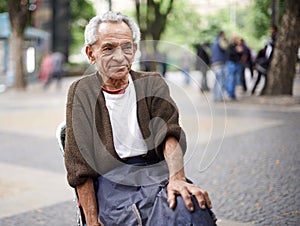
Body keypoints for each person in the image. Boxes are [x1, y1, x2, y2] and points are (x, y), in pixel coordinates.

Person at [64, 11, 217, 226]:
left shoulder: (152, 83)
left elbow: (169, 134)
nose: (120, 56)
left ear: (134, 50)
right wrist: (91, 221)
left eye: (127, 47)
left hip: (155, 172)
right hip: (112, 182)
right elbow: (80, 166)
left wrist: (177, 178)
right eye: (108, 48)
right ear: (91, 54)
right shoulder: (82, 91)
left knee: (190, 207)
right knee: (136, 217)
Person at [252, 25, 277, 95]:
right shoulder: (269, 42)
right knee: (260, 76)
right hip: (264, 61)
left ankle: (260, 90)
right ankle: (254, 90)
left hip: (267, 61)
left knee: (264, 76)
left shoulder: (275, 38)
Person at [210, 31, 228, 101]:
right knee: (221, 81)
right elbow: (225, 47)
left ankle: (215, 96)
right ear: (222, 35)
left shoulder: (213, 43)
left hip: (215, 63)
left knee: (216, 81)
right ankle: (219, 97)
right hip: (220, 64)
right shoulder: (220, 41)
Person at [225, 35, 243, 100]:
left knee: (235, 79)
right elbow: (230, 54)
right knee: (231, 79)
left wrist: (240, 51)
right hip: (231, 63)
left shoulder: (238, 46)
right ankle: (230, 94)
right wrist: (237, 51)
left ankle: (232, 94)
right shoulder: (231, 46)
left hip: (236, 63)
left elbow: (240, 54)